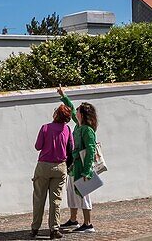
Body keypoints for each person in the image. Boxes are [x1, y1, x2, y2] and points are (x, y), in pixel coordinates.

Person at [58, 87, 99, 233]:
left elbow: (90, 150)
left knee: (84, 195)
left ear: (84, 114)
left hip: (82, 167)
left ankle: (88, 224)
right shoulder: (78, 125)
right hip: (74, 166)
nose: (77, 112)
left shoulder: (87, 130)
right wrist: (64, 96)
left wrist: (87, 171)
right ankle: (73, 220)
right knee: (72, 193)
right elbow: (72, 110)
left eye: (80, 111)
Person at [31, 102, 74, 239]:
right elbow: (71, 149)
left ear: (56, 114)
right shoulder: (67, 130)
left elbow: (38, 146)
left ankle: (35, 228)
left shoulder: (45, 128)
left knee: (39, 198)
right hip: (60, 167)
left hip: (43, 166)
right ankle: (54, 229)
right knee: (56, 200)